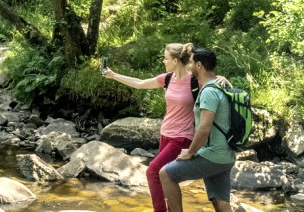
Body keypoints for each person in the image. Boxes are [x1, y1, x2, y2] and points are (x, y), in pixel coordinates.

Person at [101, 43, 218, 212]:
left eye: (166, 58)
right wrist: (113, 75)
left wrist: (221, 79)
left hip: (183, 137)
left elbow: (213, 83)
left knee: (152, 172)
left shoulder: (195, 81)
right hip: (165, 135)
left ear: (176, 60)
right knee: (167, 179)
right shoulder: (168, 78)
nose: (164, 61)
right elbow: (140, 83)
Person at [159, 47, 236, 212]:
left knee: (166, 174)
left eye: (192, 62)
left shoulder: (209, 91)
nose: (189, 65)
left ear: (199, 65)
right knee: (220, 202)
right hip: (226, 155)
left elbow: (204, 128)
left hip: (213, 155)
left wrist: (190, 152)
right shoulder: (221, 85)